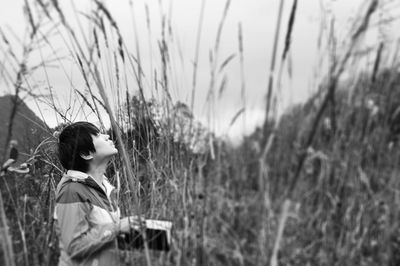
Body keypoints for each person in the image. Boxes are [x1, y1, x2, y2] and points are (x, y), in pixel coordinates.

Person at [54, 122, 142, 266]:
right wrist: (118, 227)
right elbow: (74, 246)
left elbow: (102, 238)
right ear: (86, 153)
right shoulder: (72, 191)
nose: (107, 136)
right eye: (98, 135)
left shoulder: (105, 187)